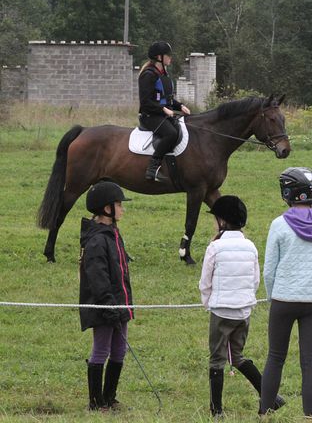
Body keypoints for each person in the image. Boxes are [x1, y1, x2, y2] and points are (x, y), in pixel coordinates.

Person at [260, 167, 312, 417]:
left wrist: (271, 295)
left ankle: (264, 413)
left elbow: (269, 270)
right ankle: (310, 417)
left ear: (287, 193)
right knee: (310, 360)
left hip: (283, 299)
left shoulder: (278, 225)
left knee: (275, 356)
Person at [199, 195, 285, 417]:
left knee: (217, 359)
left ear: (222, 221)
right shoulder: (250, 246)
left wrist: (208, 303)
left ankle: (216, 411)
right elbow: (255, 279)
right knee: (236, 356)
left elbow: (205, 281)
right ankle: (270, 397)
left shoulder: (215, 247)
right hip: (243, 312)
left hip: (221, 311)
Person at [79, 181, 133, 411]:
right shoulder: (96, 240)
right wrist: (108, 305)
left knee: (120, 350)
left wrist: (123, 306)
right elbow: (97, 276)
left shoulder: (113, 234)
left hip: (119, 306)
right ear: (106, 209)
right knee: (101, 349)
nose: (122, 209)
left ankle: (110, 397)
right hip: (103, 306)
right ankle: (96, 401)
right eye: (118, 204)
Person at [138, 41, 191, 182]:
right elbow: (145, 102)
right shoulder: (148, 75)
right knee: (171, 133)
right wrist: (163, 109)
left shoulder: (164, 75)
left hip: (161, 114)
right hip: (149, 116)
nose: (170, 58)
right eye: (168, 55)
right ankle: (152, 168)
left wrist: (180, 106)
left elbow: (167, 100)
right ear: (159, 57)